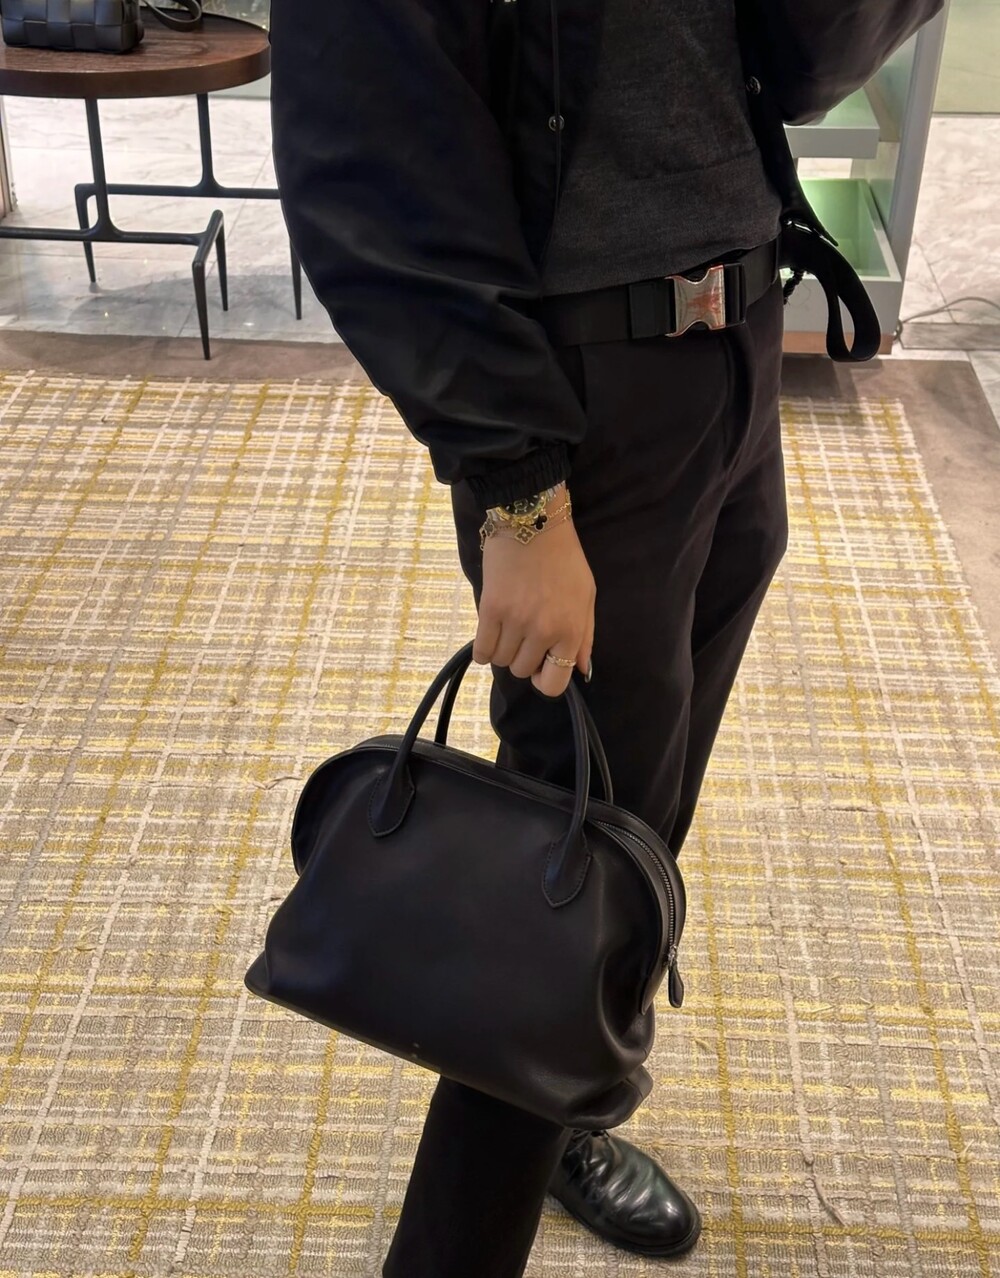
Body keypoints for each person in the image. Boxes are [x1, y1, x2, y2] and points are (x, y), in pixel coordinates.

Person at [268, 0, 788, 1273]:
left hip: (735, 321)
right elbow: (369, 145)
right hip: (577, 387)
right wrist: (515, 488)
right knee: (564, 851)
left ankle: (553, 1115)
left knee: (634, 813)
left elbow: (791, 55)